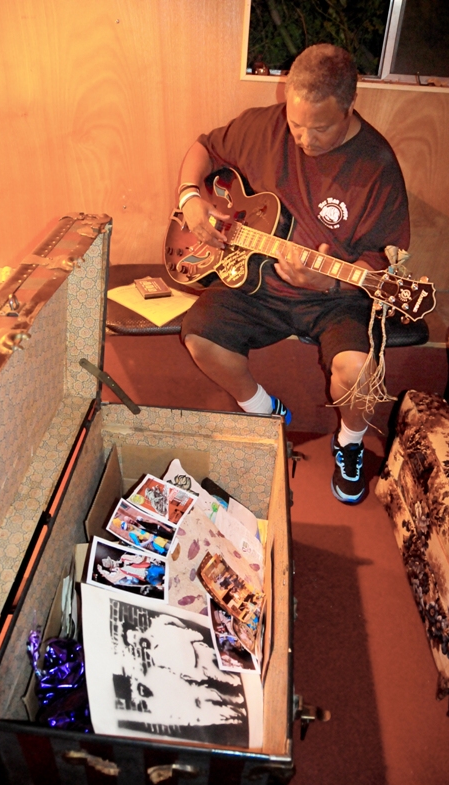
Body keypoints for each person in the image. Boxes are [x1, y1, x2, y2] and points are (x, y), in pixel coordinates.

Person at [177, 43, 410, 504]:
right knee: (198, 335)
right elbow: (204, 147)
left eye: (318, 128)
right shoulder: (264, 125)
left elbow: (382, 261)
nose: (303, 139)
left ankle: (350, 442)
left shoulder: (377, 167)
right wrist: (190, 197)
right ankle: (263, 410)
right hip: (258, 281)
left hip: (335, 296)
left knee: (358, 370)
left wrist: (332, 281)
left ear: (348, 110)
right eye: (296, 123)